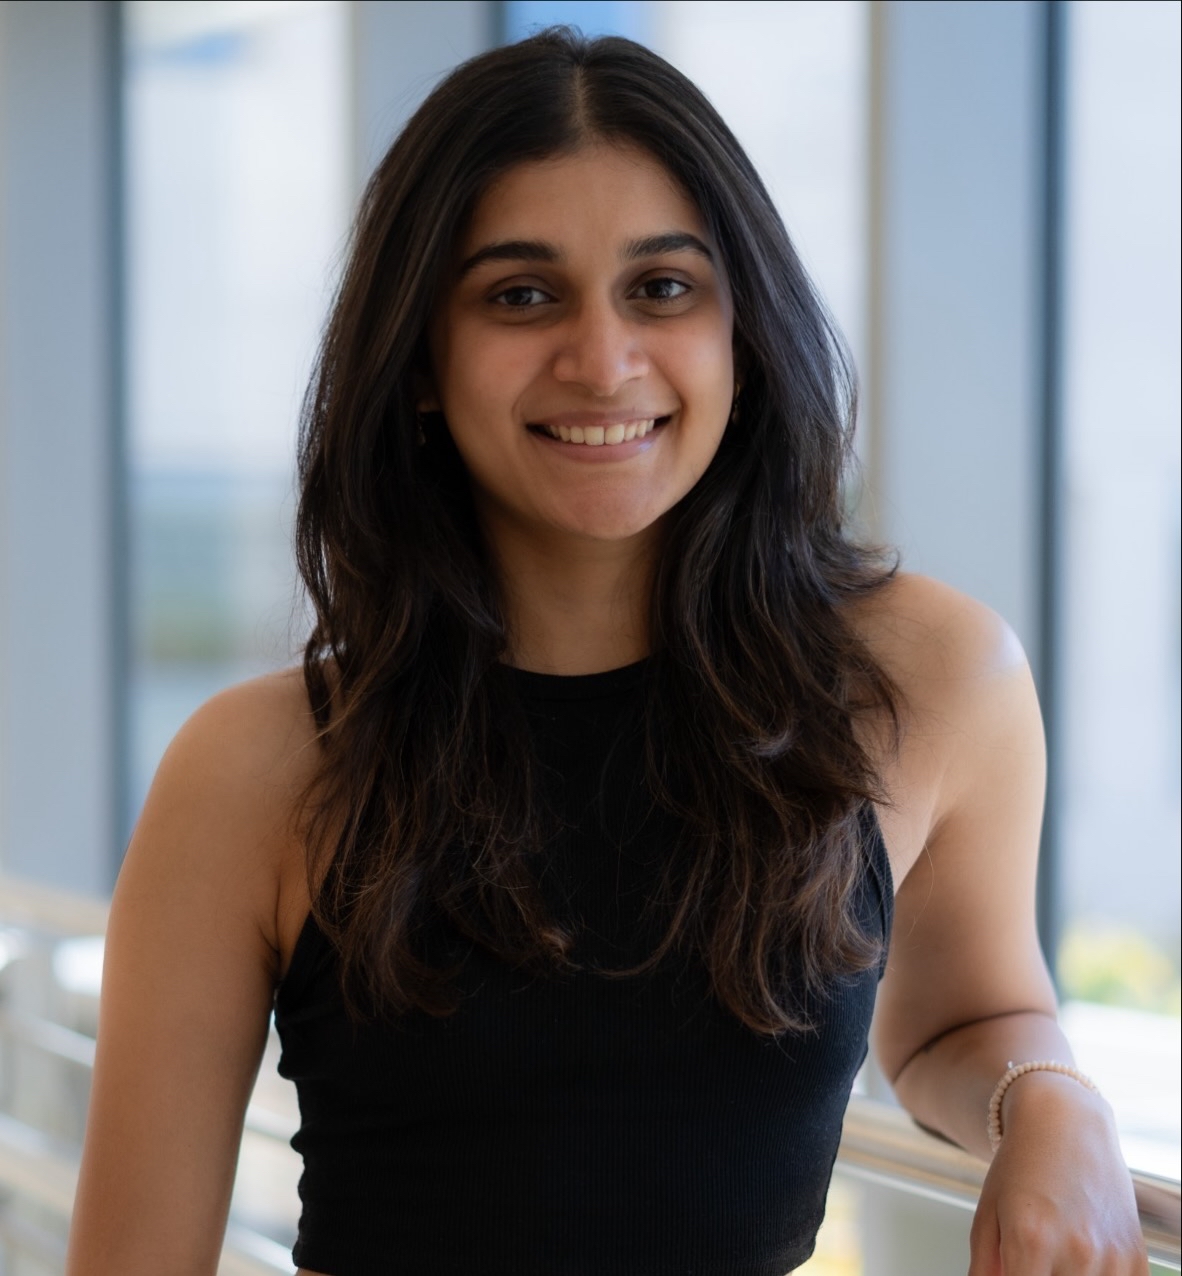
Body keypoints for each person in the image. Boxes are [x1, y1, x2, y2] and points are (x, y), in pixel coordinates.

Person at [67, 28, 1146, 1276]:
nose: (603, 358)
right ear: (420, 361)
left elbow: (969, 1017)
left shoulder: (926, 680)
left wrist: (1053, 1102)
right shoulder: (257, 768)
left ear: (743, 336)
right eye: (521, 294)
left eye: (664, 287)